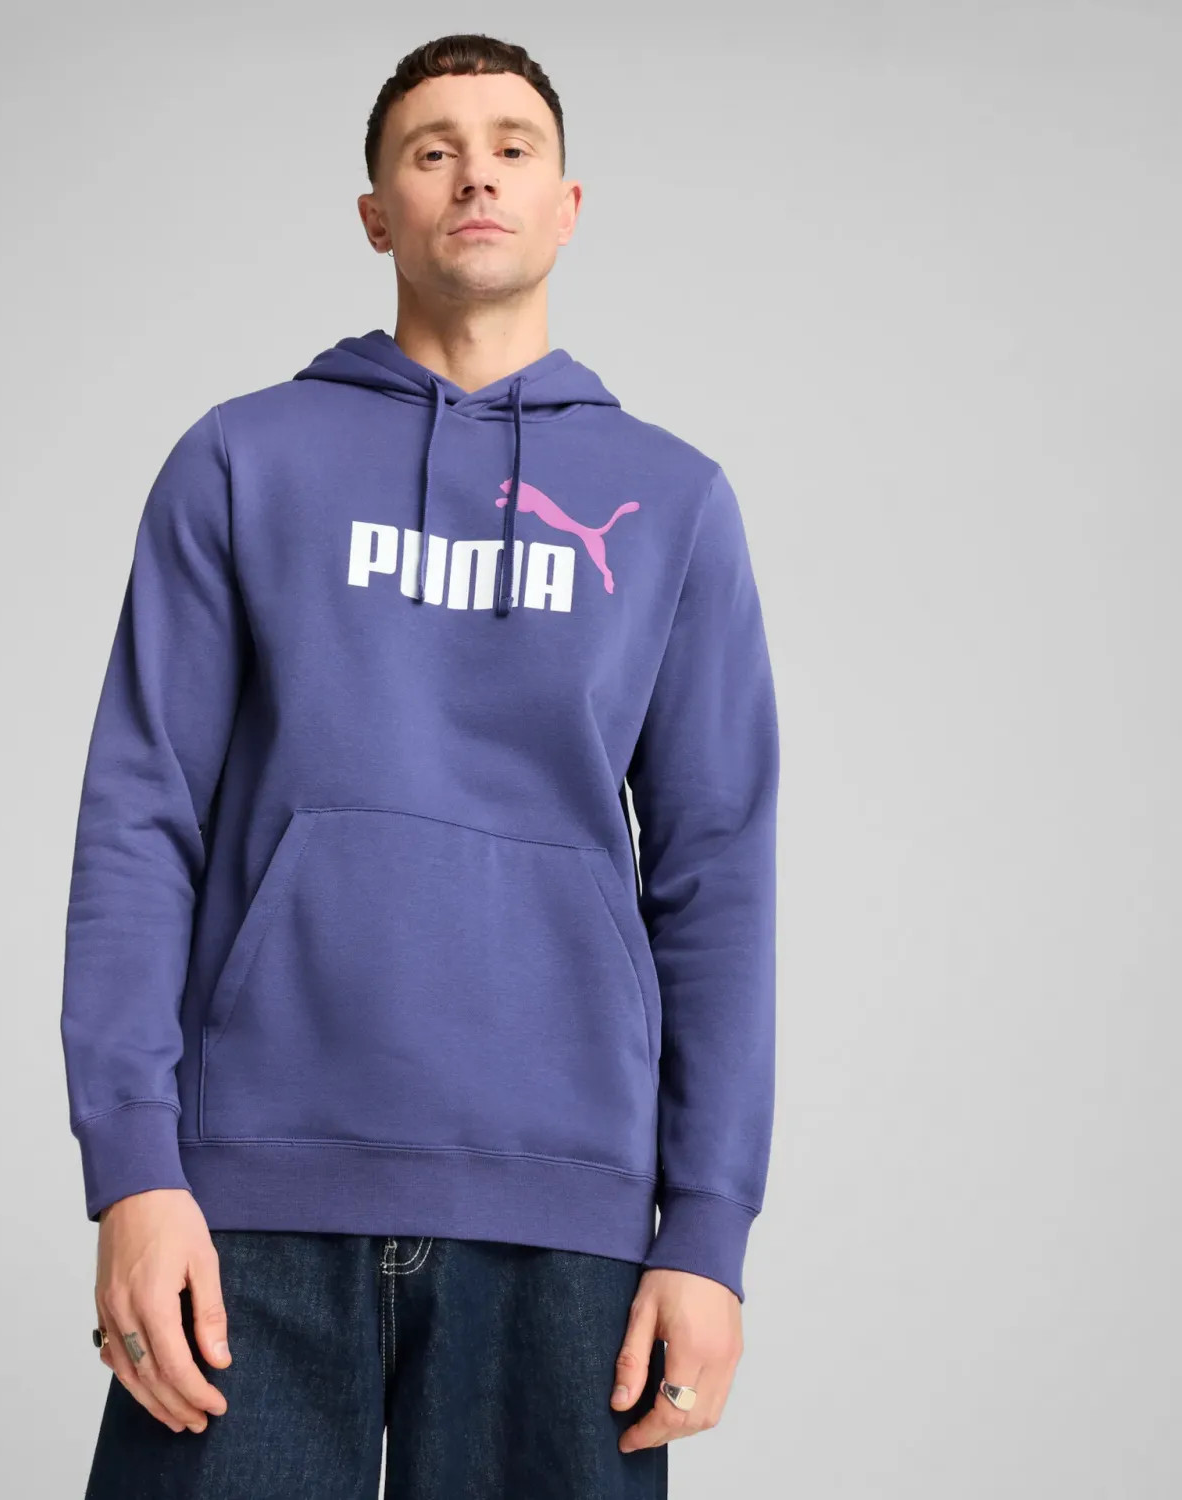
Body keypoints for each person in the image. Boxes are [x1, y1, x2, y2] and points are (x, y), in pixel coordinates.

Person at [61, 31, 779, 1499]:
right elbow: (141, 820)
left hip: (565, 1209)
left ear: (567, 205)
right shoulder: (242, 461)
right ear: (377, 213)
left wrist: (708, 1230)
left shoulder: (675, 503)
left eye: (513, 148)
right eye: (432, 150)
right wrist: (133, 1168)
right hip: (250, 1195)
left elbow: (718, 876)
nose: (475, 177)